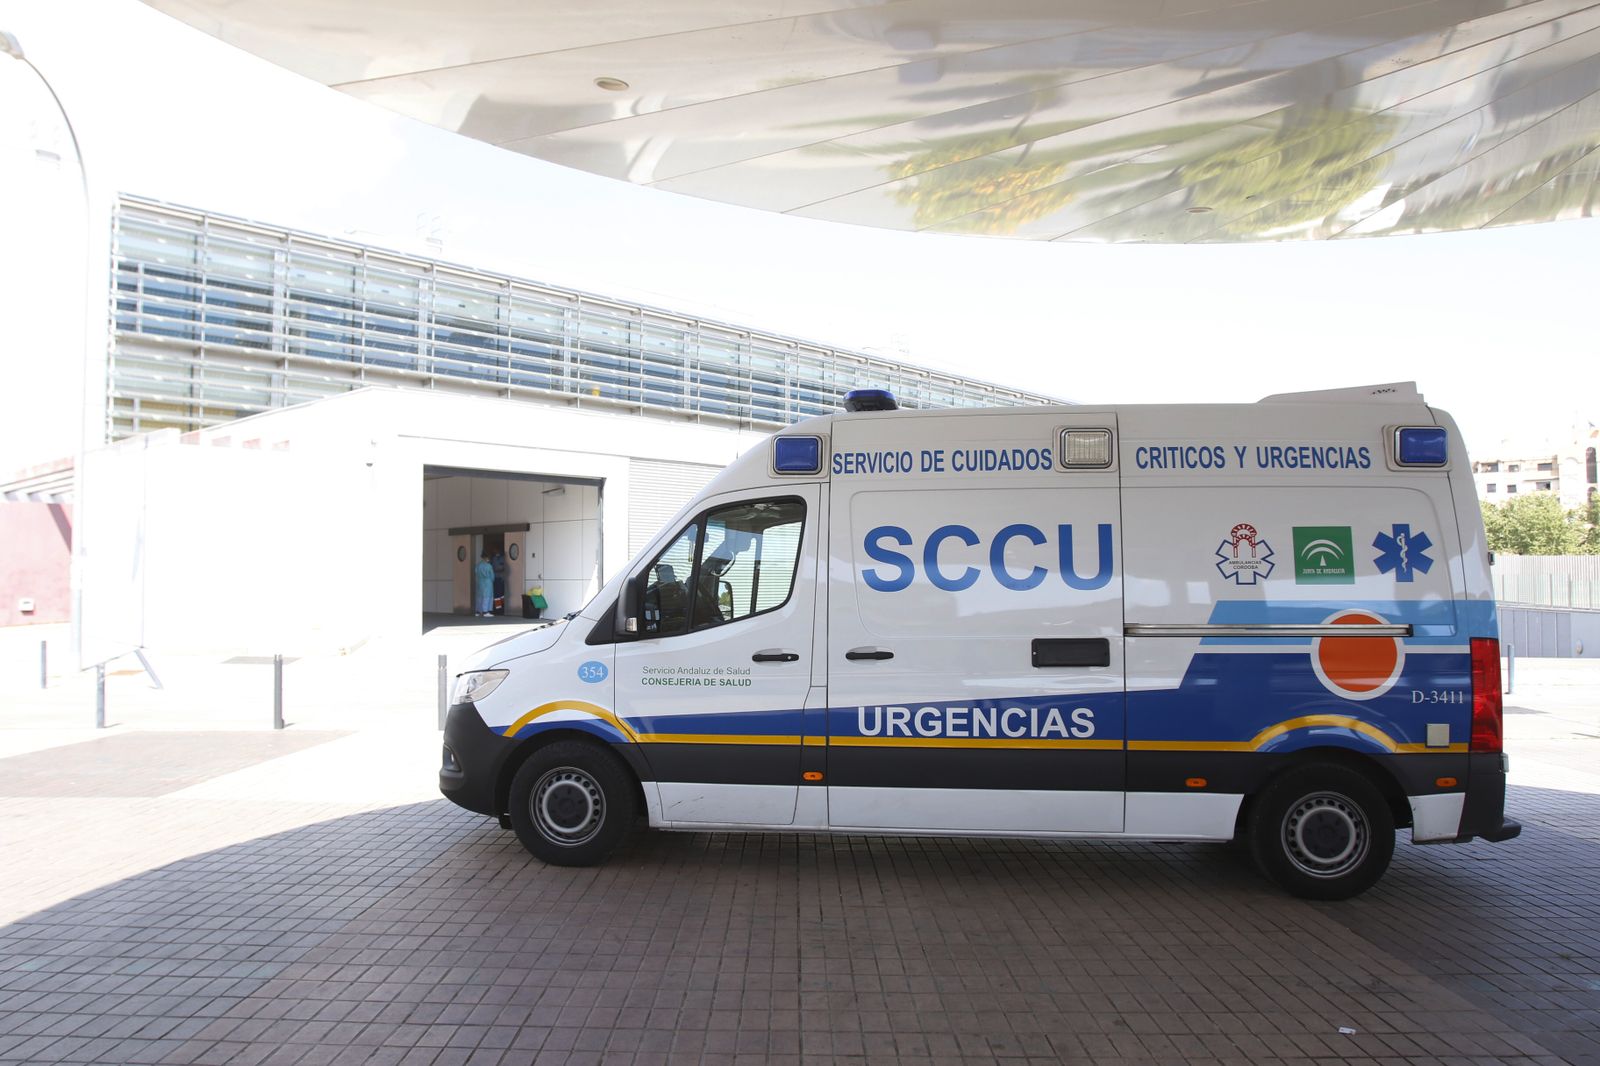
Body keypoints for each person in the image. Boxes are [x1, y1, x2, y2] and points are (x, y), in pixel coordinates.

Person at [473, 550, 494, 617]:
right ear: (487, 558)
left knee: (479, 597)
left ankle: (478, 612)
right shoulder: (489, 566)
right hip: (488, 583)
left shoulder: (478, 565)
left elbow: (476, 573)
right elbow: (492, 576)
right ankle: (486, 612)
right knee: (487, 597)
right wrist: (492, 580)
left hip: (480, 582)